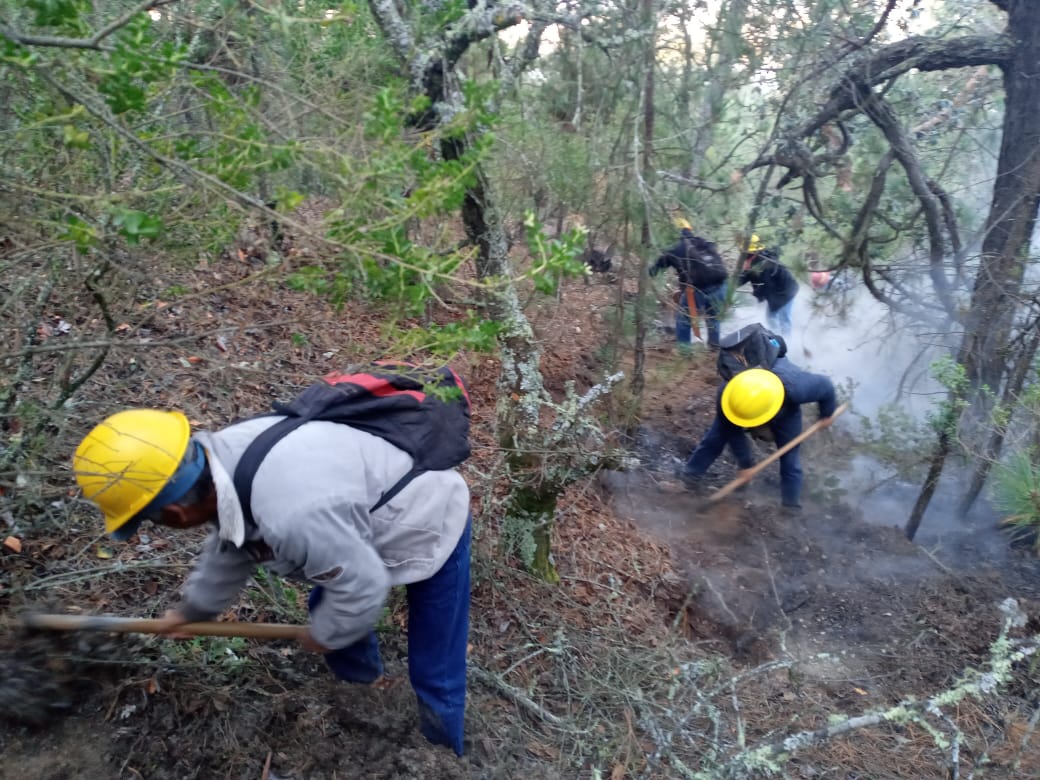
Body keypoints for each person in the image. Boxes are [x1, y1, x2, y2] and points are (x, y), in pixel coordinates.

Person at [72, 407, 472, 755]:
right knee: (329, 605)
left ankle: (437, 753)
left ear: (176, 514)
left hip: (426, 515)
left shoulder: (292, 515)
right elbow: (230, 543)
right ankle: (360, 691)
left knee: (434, 659)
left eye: (151, 520)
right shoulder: (219, 461)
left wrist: (327, 634)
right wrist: (192, 612)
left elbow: (363, 587)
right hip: (349, 521)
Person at [680, 354, 838, 510]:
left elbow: (827, 387)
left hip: (785, 411)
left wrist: (827, 414)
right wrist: (746, 464)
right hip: (746, 407)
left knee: (790, 456)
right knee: (718, 434)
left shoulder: (796, 388)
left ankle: (790, 508)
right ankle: (689, 476)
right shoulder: (728, 396)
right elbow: (732, 431)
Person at [650, 218, 729, 348]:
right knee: (714, 318)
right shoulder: (703, 242)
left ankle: (684, 350)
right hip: (721, 285)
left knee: (683, 320)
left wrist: (649, 272)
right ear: (689, 230)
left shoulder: (674, 248)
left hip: (697, 289)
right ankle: (714, 348)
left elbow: (656, 268)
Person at [738, 235, 799, 337]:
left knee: (783, 319)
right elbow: (746, 276)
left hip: (786, 292)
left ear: (751, 252)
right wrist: (730, 287)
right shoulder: (754, 260)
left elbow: (767, 287)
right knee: (771, 318)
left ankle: (787, 342)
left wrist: (757, 293)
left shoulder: (766, 264)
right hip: (776, 293)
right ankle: (775, 338)